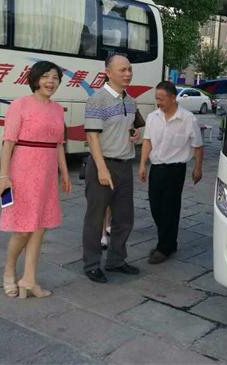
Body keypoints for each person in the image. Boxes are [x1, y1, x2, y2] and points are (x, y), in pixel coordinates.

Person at [0, 61, 71, 298]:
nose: (51, 82)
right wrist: (4, 176)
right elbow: (8, 143)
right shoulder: (20, 105)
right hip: (23, 172)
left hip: (47, 174)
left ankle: (29, 279)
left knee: (39, 227)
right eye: (46, 76)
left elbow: (58, 144)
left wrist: (64, 172)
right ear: (36, 79)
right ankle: (9, 270)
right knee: (22, 230)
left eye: (55, 78)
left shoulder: (58, 109)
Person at [82, 54, 140, 283]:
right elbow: (92, 136)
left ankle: (116, 260)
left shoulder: (131, 101)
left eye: (129, 69)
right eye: (122, 70)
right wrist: (101, 168)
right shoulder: (97, 99)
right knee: (95, 219)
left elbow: (131, 127)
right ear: (108, 72)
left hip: (125, 165)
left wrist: (134, 134)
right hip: (103, 165)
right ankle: (91, 264)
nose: (128, 74)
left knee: (124, 218)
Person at [138, 81, 203, 264]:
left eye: (161, 99)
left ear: (173, 98)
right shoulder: (153, 117)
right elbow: (147, 141)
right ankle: (169, 241)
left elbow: (198, 146)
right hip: (156, 168)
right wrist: (142, 164)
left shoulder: (188, 119)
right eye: (156, 98)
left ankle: (164, 247)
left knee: (170, 208)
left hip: (175, 170)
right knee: (155, 207)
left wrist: (198, 168)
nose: (158, 102)